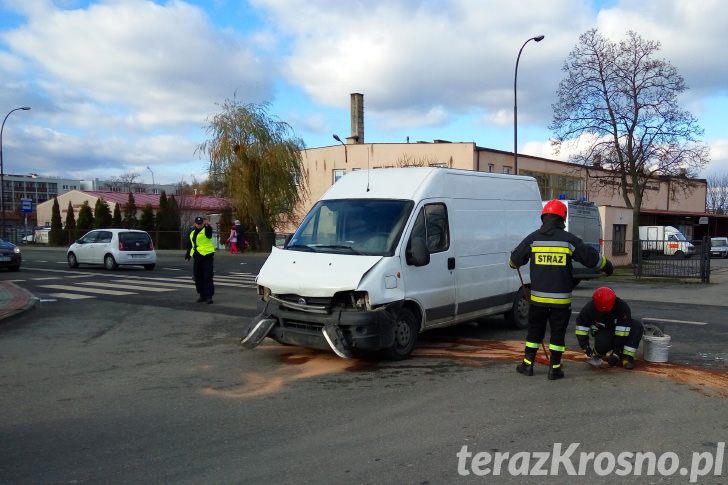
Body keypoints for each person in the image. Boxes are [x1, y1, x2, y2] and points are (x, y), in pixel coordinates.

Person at [508, 199, 614, 380]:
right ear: (562, 218)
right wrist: (607, 265)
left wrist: (515, 255)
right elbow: (590, 257)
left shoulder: (533, 238)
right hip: (560, 300)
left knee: (535, 331)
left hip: (538, 300)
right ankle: (554, 369)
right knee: (557, 333)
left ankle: (527, 365)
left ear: (544, 217)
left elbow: (513, 262)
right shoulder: (569, 240)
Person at [575, 287, 644, 369]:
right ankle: (598, 352)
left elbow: (622, 332)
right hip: (605, 332)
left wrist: (616, 353)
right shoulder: (588, 309)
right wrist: (585, 347)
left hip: (619, 330)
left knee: (637, 326)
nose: (605, 312)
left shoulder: (622, 307)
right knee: (602, 345)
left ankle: (627, 357)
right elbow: (581, 328)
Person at [185, 216, 215, 304]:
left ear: (203, 223)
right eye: (197, 224)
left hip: (207, 256)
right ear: (195, 223)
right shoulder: (192, 232)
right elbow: (191, 245)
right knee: (197, 277)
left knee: (207, 277)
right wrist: (188, 255)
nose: (199, 225)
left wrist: (208, 226)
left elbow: (209, 234)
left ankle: (209, 296)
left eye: (200, 223)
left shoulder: (206, 230)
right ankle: (202, 295)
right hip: (197, 257)